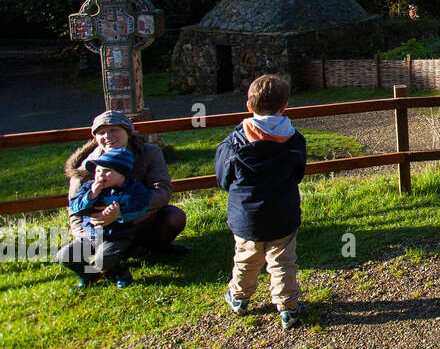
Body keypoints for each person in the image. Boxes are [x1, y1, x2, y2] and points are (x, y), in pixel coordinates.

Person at [215, 74, 308, 329]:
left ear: (249, 105)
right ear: (284, 106)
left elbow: (224, 179)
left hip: (247, 216)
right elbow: (297, 173)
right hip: (282, 214)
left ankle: (239, 297)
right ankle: (288, 307)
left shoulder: (234, 143)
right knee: (282, 262)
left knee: (246, 258)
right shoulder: (294, 141)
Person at [64, 111, 189, 256]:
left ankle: (154, 248)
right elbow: (74, 209)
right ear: (95, 138)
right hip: (102, 230)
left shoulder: (149, 153)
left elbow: (162, 190)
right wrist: (85, 238)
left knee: (174, 217)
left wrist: (124, 213)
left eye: (114, 130)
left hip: (140, 218)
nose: (107, 136)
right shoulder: (86, 168)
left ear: (128, 132)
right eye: (101, 133)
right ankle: (110, 259)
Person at [58, 147, 152, 289]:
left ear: (122, 173)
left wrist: (120, 212)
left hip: (117, 236)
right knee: (66, 255)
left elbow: (141, 207)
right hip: (91, 235)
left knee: (103, 259)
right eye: (98, 171)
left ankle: (121, 273)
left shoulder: (134, 189)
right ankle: (89, 275)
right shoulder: (89, 187)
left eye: (107, 171)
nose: (100, 175)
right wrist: (91, 196)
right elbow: (75, 207)